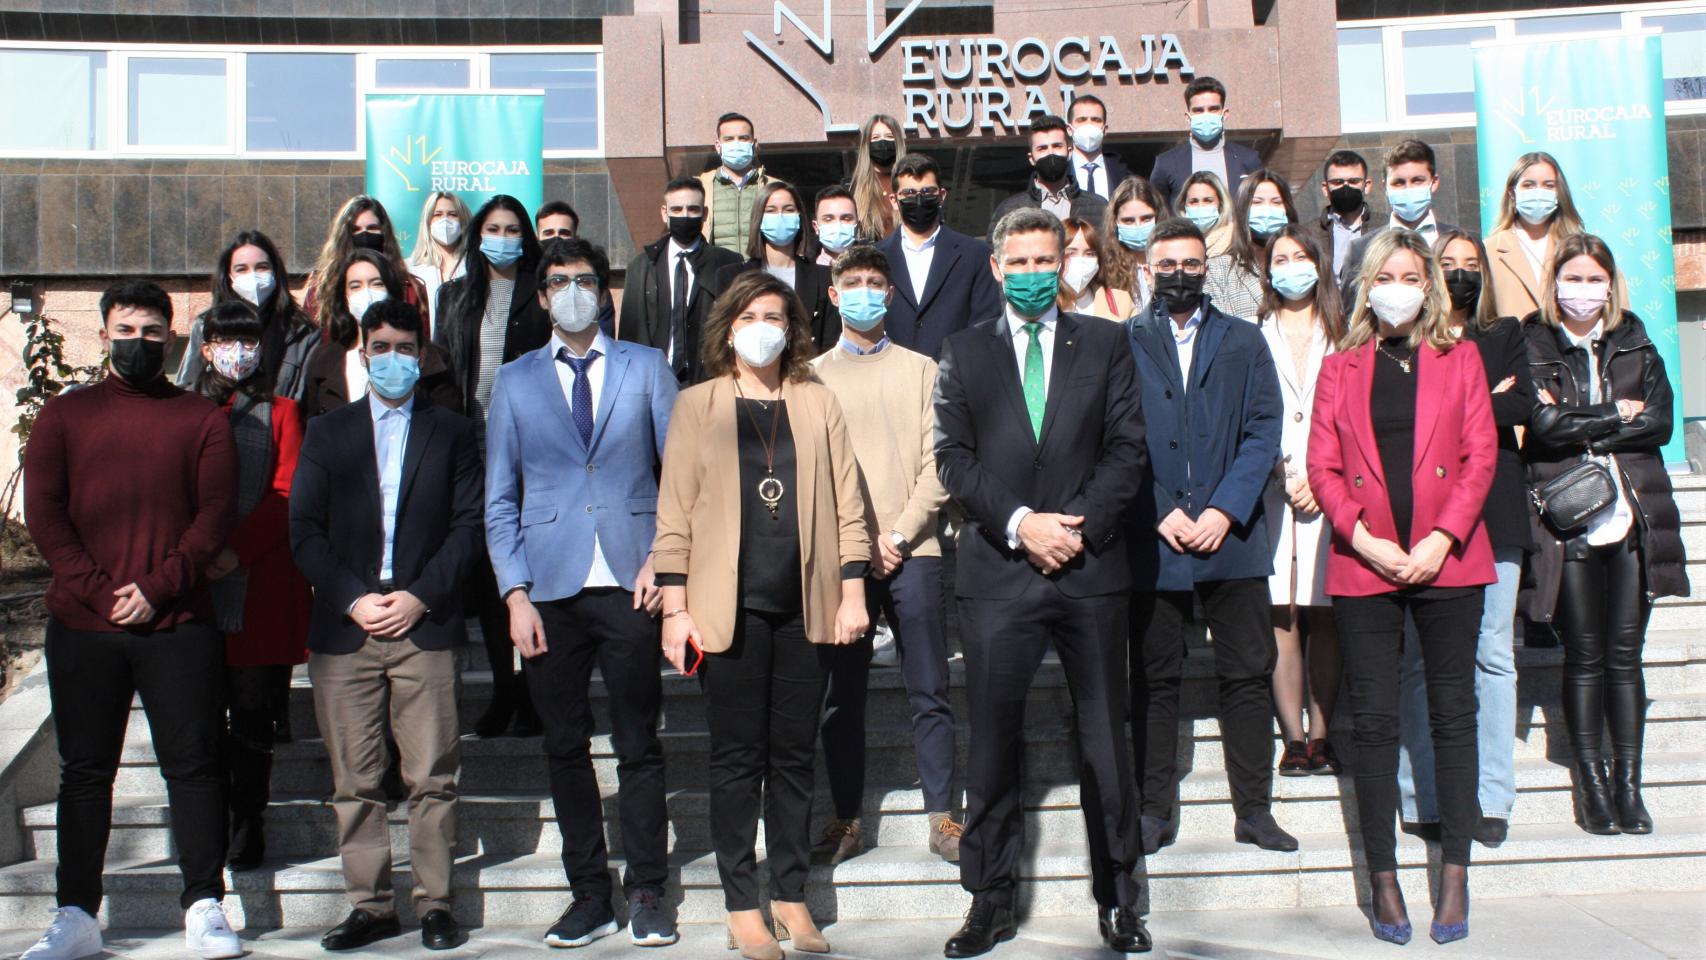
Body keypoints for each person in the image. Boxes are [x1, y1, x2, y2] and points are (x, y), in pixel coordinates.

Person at [934, 208, 1150, 957]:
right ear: (997, 269)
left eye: (1043, 260)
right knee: (992, 745)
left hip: (1090, 569)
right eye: (1018, 262)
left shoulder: (1107, 342)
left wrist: (1075, 528)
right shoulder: (963, 350)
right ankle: (988, 900)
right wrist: (1023, 523)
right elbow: (953, 459)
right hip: (998, 573)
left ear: (1063, 265)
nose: (1031, 273)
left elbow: (1127, 448)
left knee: (1106, 743)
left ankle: (1119, 898)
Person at [20, 280, 241, 960]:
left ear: (170, 339)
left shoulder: (201, 418)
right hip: (85, 628)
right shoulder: (64, 416)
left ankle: (203, 905)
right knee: (86, 773)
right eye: (125, 330)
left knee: (194, 767)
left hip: (178, 623)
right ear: (103, 334)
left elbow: (213, 516)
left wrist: (156, 588)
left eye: (150, 332)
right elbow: (45, 514)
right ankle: (76, 915)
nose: (137, 343)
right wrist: (99, 592)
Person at [653, 271, 870, 960]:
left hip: (806, 606)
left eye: (774, 316)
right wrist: (674, 607)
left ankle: (790, 895)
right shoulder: (697, 405)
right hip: (729, 612)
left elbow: (849, 505)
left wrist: (854, 591)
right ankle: (742, 905)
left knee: (796, 758)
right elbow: (674, 513)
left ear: (793, 328)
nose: (762, 328)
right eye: (748, 316)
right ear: (727, 329)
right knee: (737, 761)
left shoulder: (817, 400)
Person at [485, 238, 681, 948]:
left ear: (605, 291)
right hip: (549, 589)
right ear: (542, 297)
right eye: (560, 281)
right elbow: (499, 498)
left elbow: (681, 476)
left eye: (587, 279)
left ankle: (648, 889)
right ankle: (589, 894)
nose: (574, 291)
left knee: (638, 744)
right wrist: (514, 594)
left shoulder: (646, 366)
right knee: (565, 746)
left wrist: (664, 559)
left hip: (632, 584)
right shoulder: (514, 381)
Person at [1307, 228, 1495, 946]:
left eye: (1411, 277)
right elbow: (1323, 467)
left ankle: (1455, 871)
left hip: (1449, 559)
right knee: (1375, 722)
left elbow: (1479, 457)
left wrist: (1442, 538)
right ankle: (1382, 877)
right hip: (1366, 561)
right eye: (1384, 277)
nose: (1397, 289)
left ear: (1430, 286)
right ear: (1366, 288)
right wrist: (1365, 539)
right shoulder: (1340, 367)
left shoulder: (1460, 357)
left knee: (1453, 715)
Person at [289, 298, 482, 953]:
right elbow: (304, 531)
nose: (393, 359)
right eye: (381, 348)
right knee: (355, 780)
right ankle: (370, 906)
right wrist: (352, 599)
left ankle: (436, 904)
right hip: (347, 629)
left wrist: (419, 597)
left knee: (433, 776)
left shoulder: (451, 430)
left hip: (423, 623)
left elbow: (468, 526)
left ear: (420, 355)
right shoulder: (328, 432)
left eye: (405, 348)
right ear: (363, 353)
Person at [1126, 218, 1292, 856]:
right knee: (1154, 679)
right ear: (1147, 270)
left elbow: (1263, 428)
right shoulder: (1124, 341)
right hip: (1155, 538)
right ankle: (1152, 810)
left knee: (1247, 674)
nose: (1179, 274)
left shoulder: (1245, 340)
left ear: (1207, 269)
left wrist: (1226, 508)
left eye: (1191, 264)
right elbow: (1116, 436)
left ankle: (1254, 810)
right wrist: (1158, 509)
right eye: (1166, 264)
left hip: (1233, 537)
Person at [1522, 233, 1688, 836]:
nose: (1584, 290)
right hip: (1566, 519)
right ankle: (1591, 785)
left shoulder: (1637, 341)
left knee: (1625, 657)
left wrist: (1581, 424)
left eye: (1595, 279)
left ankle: (1629, 787)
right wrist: (1619, 413)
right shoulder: (1533, 341)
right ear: (1554, 283)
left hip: (1632, 516)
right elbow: (1542, 427)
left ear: (1611, 285)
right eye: (1573, 278)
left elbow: (1661, 423)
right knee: (1584, 656)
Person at [809, 245, 960, 867]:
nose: (865, 291)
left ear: (891, 294)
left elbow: (940, 461)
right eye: (853, 282)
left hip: (914, 549)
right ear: (833, 294)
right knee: (841, 696)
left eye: (876, 282)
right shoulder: (810, 376)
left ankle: (944, 816)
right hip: (840, 561)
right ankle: (846, 818)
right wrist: (856, 545)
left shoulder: (924, 369)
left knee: (930, 687)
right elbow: (812, 472)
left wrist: (897, 536)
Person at [1395, 229, 1533, 846]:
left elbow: (1523, 405)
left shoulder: (1504, 334)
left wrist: (1454, 406)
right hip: (1424, 515)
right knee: (1418, 659)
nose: (1460, 273)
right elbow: (1406, 415)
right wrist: (1481, 401)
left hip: (1496, 508)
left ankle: (1491, 795)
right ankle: (1421, 795)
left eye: (1471, 264)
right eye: (1447, 263)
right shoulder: (1412, 340)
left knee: (1492, 653)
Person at [189, 300, 312, 872]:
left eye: (247, 340)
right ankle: (207, 821)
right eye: (224, 340)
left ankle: (248, 820)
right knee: (200, 715)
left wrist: (236, 550)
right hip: (194, 585)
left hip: (259, 585)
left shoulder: (282, 412)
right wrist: (201, 552)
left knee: (253, 714)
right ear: (205, 348)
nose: (236, 352)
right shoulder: (185, 410)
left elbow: (289, 492)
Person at [434, 193, 552, 739]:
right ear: (477, 235)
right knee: (486, 576)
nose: (502, 238)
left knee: (529, 570)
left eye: (512, 229)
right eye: (493, 229)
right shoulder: (455, 294)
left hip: (530, 451)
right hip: (473, 448)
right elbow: (442, 369)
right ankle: (505, 689)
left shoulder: (541, 292)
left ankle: (535, 691)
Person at [1254, 225, 1343, 777]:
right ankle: (1292, 739)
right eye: (1281, 258)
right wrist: (1281, 471)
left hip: (1332, 489)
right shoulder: (1252, 333)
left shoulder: (1347, 331)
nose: (1291, 267)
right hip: (1271, 489)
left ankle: (1323, 734)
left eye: (1301, 256)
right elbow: (1246, 413)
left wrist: (1321, 474)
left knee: (1324, 613)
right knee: (1281, 614)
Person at [301, 250, 462, 419]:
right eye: (355, 286)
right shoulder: (324, 360)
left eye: (377, 284)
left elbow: (448, 422)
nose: (367, 293)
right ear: (345, 297)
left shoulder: (434, 360)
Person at [874, 153, 1002, 360]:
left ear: (942, 195)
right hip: (892, 374)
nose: (919, 199)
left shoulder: (975, 255)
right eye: (909, 193)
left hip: (956, 374)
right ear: (894, 200)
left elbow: (985, 325)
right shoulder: (874, 258)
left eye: (927, 191)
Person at [617, 176, 745, 383]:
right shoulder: (641, 266)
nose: (684, 216)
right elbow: (629, 332)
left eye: (692, 209)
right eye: (676, 210)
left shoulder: (728, 264)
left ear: (705, 214)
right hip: (654, 380)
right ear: (664, 213)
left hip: (710, 378)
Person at [176, 231, 319, 402]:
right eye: (241, 269)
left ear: (276, 272)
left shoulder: (301, 332)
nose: (253, 276)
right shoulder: (205, 324)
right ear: (228, 277)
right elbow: (186, 388)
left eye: (262, 267)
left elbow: (304, 397)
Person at [1337, 139, 1462, 310]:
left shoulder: (1461, 244)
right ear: (1385, 187)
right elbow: (1350, 314)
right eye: (1399, 182)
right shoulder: (1361, 250)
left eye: (1417, 181)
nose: (1408, 189)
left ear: (1434, 182)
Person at [713, 180, 836, 351]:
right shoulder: (731, 277)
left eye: (788, 210)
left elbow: (830, 342)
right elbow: (720, 337)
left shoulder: (824, 277)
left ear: (799, 217)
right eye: (771, 210)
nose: (780, 216)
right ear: (758, 218)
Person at [1484, 151, 1592, 320]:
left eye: (1548, 185)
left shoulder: (1583, 249)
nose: (1539, 193)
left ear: (1559, 193)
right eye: (1529, 185)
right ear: (1512, 193)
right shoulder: (1489, 250)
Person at [306, 195, 431, 333]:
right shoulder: (321, 289)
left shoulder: (410, 288)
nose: (364, 235)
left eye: (372, 228)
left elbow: (422, 339)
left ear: (384, 232)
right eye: (356, 229)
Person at [1148, 76, 1263, 210]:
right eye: (1198, 110)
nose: (1206, 116)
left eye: (1213, 109)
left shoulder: (1248, 160)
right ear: (1188, 117)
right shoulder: (1166, 164)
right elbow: (1158, 211)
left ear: (1225, 114)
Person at [989, 115, 1107, 239]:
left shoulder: (1098, 207)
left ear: (1069, 151)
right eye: (1042, 149)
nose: (1050, 153)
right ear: (1031, 158)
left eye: (1057, 146)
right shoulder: (1010, 209)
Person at [1206, 169, 1297, 320]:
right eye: (1257, 202)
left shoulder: (1306, 265)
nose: (1267, 210)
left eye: (1276, 202)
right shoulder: (1218, 271)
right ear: (1243, 210)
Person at [700, 111, 778, 254]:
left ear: (754, 144)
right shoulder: (702, 187)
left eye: (743, 138)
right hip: (719, 267)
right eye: (729, 139)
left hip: (760, 267)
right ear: (718, 146)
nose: (736, 144)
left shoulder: (774, 187)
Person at [1099, 175, 1168, 318]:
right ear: (1115, 222)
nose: (1138, 227)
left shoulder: (1174, 261)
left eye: (1146, 218)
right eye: (1128, 221)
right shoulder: (1103, 269)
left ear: (1158, 217)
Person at [406, 190, 471, 328]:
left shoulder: (476, 266)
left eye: (453, 214)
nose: (445, 220)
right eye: (437, 214)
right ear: (427, 221)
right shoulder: (409, 269)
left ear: (463, 221)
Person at [1057, 216, 1133, 322]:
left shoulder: (1120, 301)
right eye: (1071, 253)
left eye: (1089, 254)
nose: (1081, 259)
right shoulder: (1041, 304)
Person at [1311, 150, 1374, 278]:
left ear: (1366, 186)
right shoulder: (1309, 235)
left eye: (1354, 181)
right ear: (1325, 188)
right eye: (1337, 182)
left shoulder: (1385, 227)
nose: (1346, 187)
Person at [849, 113, 904, 242]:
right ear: (866, 145)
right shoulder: (854, 189)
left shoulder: (908, 184)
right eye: (875, 138)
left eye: (889, 137)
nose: (883, 142)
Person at [1067, 93, 1132, 201]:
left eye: (1096, 120)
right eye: (1082, 120)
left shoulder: (1124, 175)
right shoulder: (1060, 174)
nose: (1089, 125)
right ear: (1069, 129)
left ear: (1105, 129)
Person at [1174, 171, 1236, 260]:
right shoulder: (1174, 244)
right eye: (1194, 201)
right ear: (1184, 205)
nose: (1201, 206)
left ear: (1221, 204)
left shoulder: (1236, 241)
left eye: (1208, 200)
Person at [812, 185, 861, 267]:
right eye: (828, 219)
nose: (838, 225)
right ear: (816, 227)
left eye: (846, 218)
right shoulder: (804, 268)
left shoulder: (875, 265)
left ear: (858, 226)